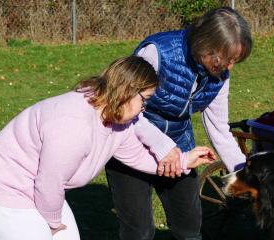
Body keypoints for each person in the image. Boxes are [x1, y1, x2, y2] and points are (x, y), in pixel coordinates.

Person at [0, 56, 216, 240]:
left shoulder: (118, 120)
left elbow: (136, 155)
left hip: (37, 184)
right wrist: (53, 225)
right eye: (145, 100)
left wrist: (183, 161)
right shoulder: (74, 126)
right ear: (127, 91)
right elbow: (49, 183)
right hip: (3, 183)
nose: (145, 108)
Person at [105, 7, 253, 240]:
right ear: (206, 44)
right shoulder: (157, 53)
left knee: (190, 230)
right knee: (139, 233)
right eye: (226, 59)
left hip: (179, 145)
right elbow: (123, 108)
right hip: (130, 141)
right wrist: (162, 147)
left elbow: (218, 127)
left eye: (235, 60)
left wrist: (244, 172)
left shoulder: (221, 75)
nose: (229, 67)